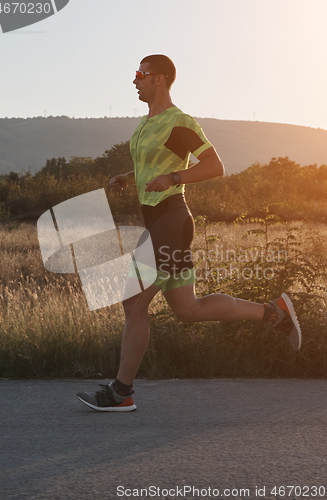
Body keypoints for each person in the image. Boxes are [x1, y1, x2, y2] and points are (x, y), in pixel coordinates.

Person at [77, 55, 301, 412]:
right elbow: (153, 169)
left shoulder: (178, 121)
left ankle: (121, 392)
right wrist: (128, 178)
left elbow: (214, 165)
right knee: (189, 310)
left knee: (133, 303)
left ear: (160, 79)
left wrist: (176, 178)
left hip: (170, 220)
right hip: (159, 222)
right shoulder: (146, 124)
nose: (134, 81)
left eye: (140, 74)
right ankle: (272, 312)